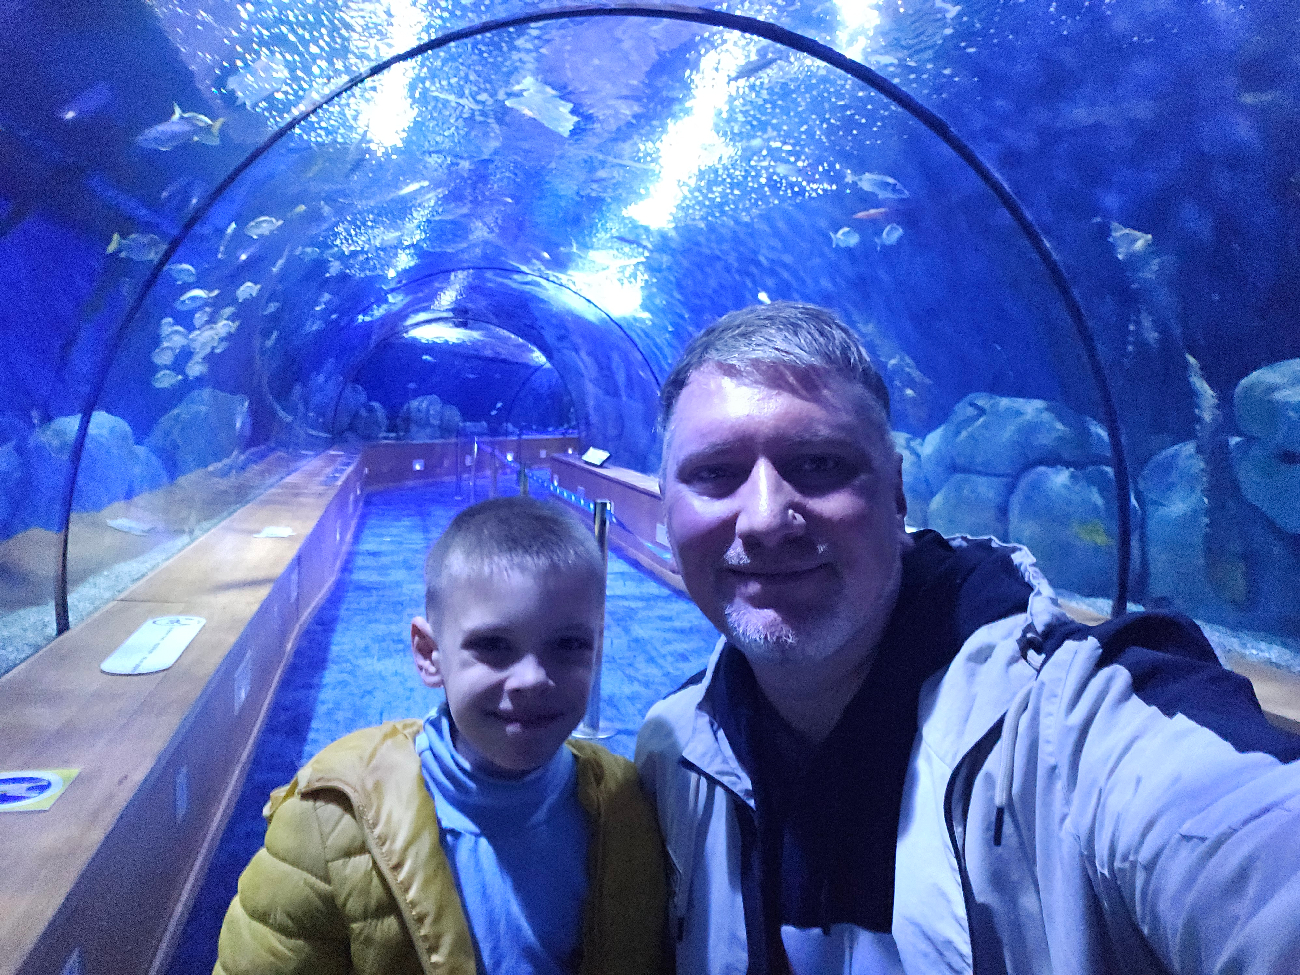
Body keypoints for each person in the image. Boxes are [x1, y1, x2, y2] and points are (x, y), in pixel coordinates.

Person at [635, 301, 1300, 975]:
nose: (765, 518)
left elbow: (1246, 843)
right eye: (714, 473)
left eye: (819, 463)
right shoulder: (670, 754)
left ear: (897, 493)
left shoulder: (1073, 725)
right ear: (666, 505)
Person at [215, 495, 667, 975]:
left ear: (597, 648)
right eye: (494, 645)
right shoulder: (330, 820)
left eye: (569, 644)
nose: (532, 679)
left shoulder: (627, 802)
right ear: (430, 654)